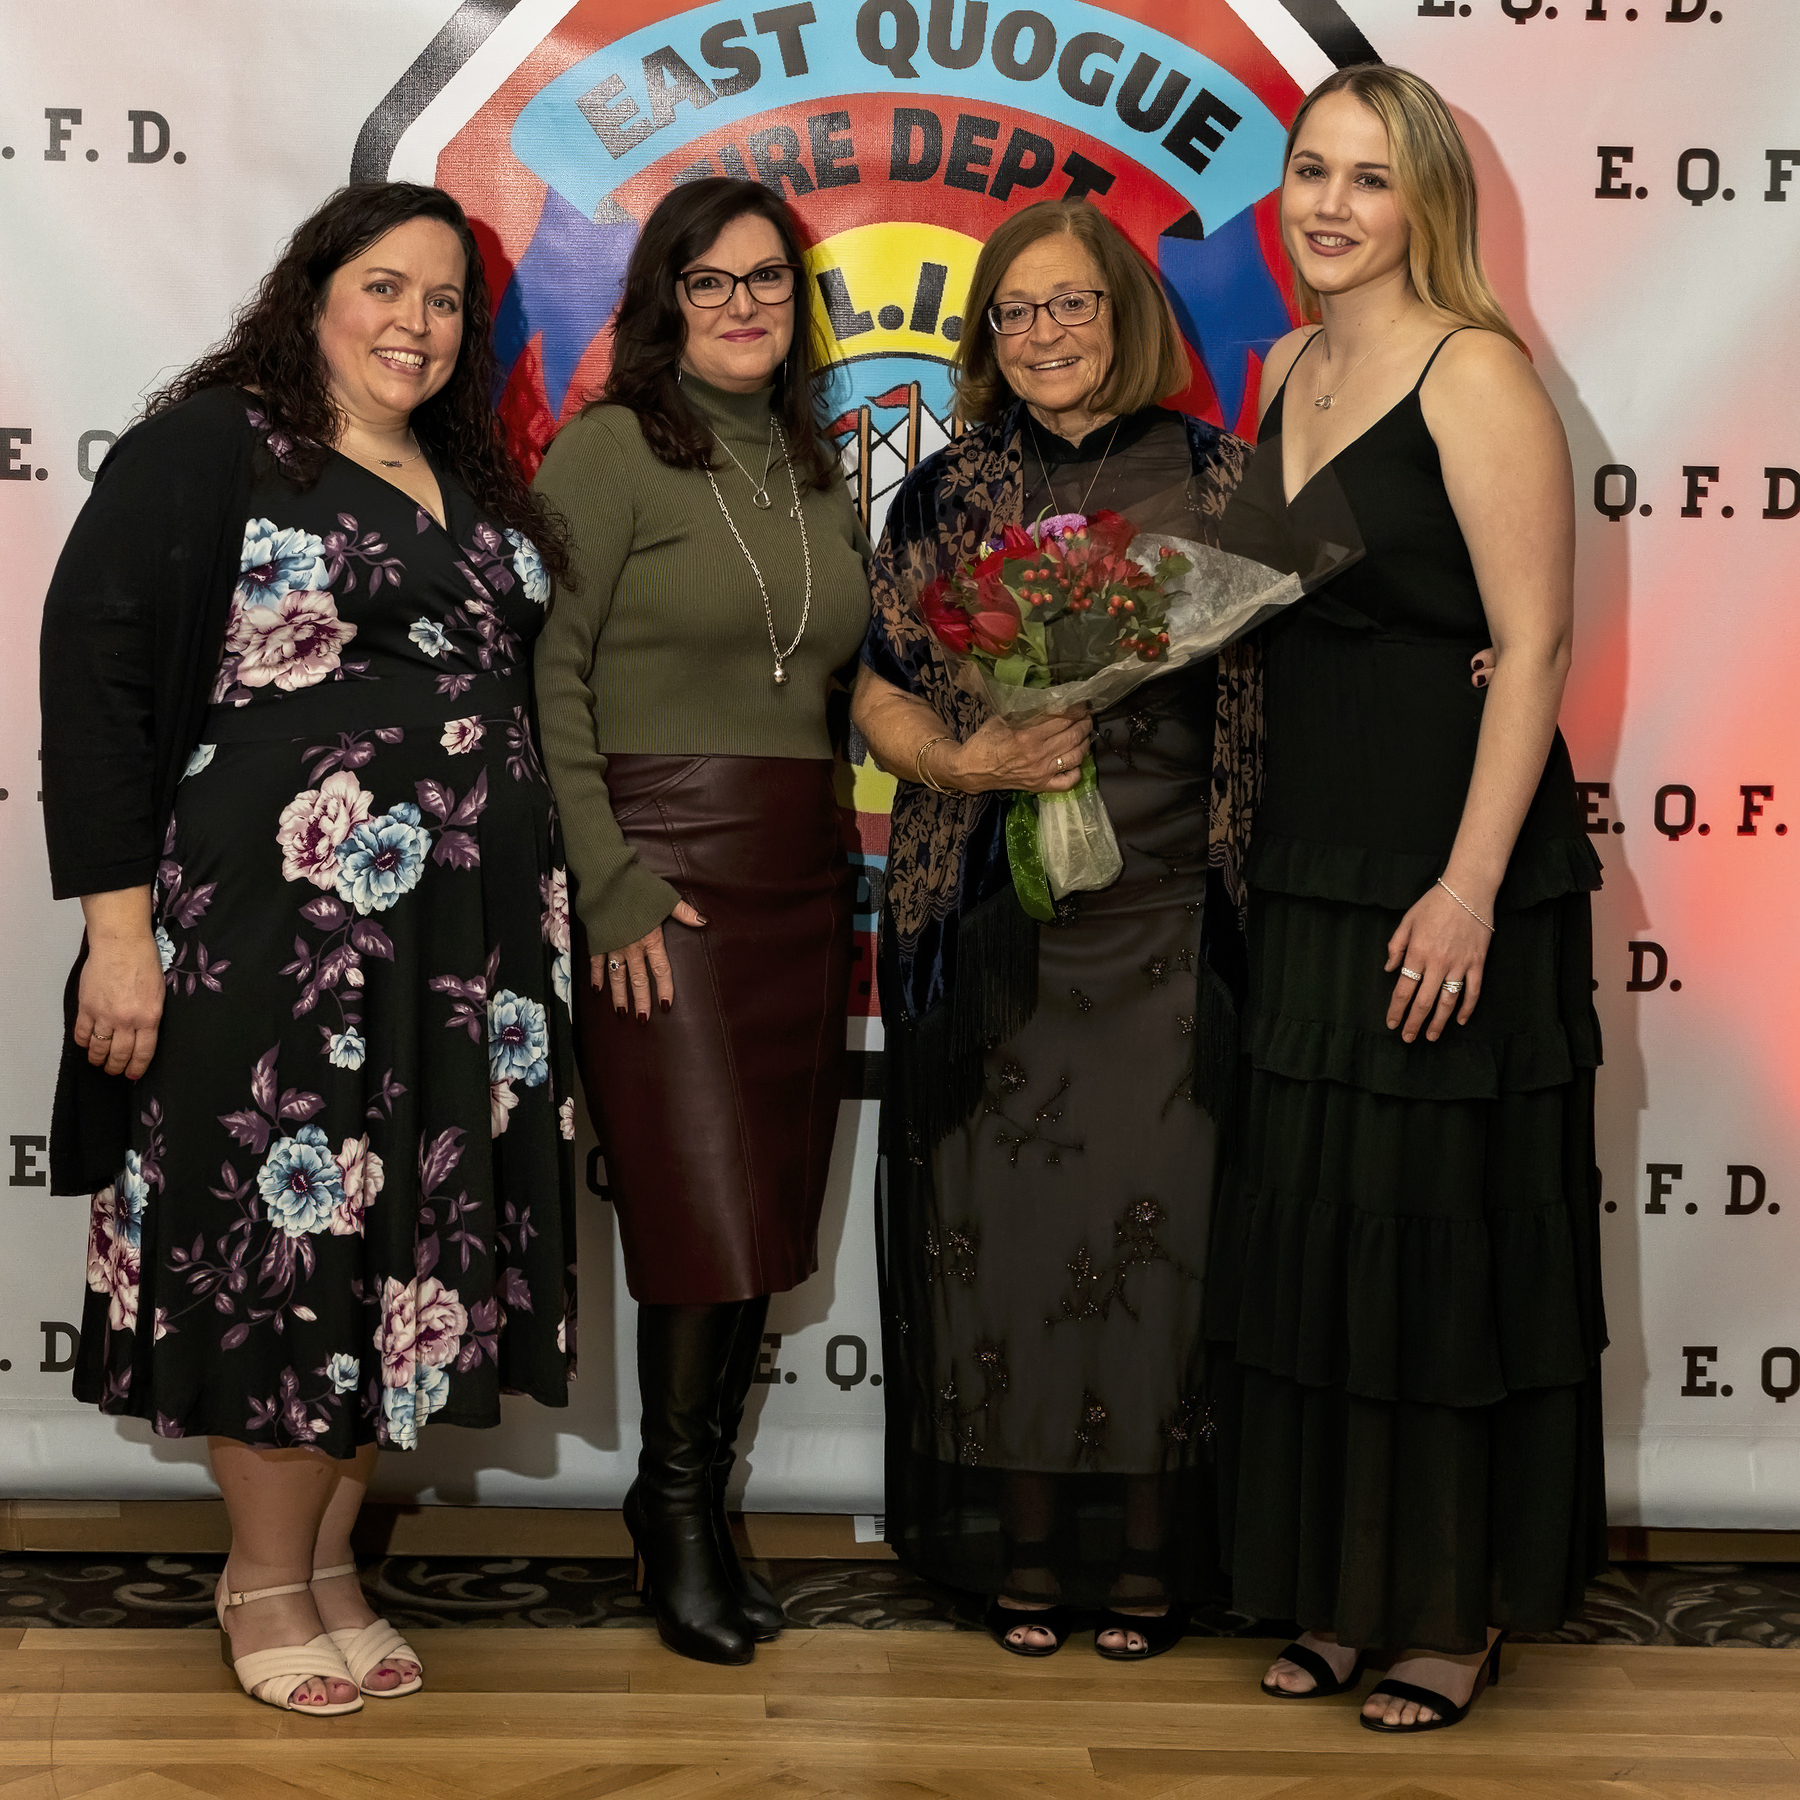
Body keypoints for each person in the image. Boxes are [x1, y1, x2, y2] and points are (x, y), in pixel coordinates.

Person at [40, 182, 578, 1716]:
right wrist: (117, 939)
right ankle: (261, 1580)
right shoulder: (218, 444)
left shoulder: (464, 475)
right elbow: (96, 680)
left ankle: (333, 1562)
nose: (416, 322)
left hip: (460, 954)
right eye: (384, 287)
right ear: (314, 291)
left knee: (396, 1253)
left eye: (445, 299)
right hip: (274, 943)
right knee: (287, 1246)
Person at [1205, 66, 1605, 1731]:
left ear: (1425, 199)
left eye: (1371, 178)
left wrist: (1466, 887)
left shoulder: (1477, 373)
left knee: (1431, 1239)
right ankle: (1338, 1591)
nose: (1330, 205)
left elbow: (1538, 647)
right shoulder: (1286, 364)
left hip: (1447, 870)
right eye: (1311, 171)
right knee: (1318, 1234)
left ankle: (1449, 1614)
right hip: (1300, 862)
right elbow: (1243, 604)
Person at [852, 198, 1257, 1661]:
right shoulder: (943, 496)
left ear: (1126, 312)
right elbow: (877, 686)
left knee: (1168, 1245)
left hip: (1175, 927)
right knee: (1004, 1245)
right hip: (995, 923)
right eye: (1014, 313)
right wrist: (968, 762)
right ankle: (1022, 1552)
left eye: (1070, 304)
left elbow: (1302, 687)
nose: (1042, 336)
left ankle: (1149, 1562)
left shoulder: (1226, 487)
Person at [533, 177, 870, 1666]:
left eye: (768, 283)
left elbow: (844, 679)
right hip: (658, 873)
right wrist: (605, 874)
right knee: (698, 1209)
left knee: (762, 1217)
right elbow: (549, 677)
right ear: (664, 302)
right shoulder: (606, 451)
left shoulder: (815, 469)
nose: (743, 306)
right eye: (709, 281)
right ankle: (673, 1508)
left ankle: (696, 1503)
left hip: (802, 877)